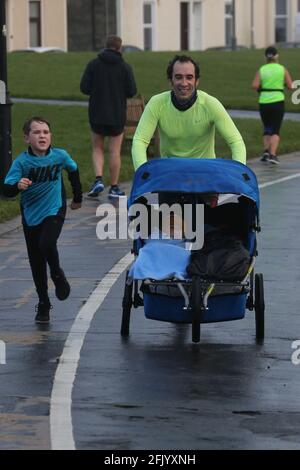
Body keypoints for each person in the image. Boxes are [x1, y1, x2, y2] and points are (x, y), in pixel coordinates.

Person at [3, 117, 82, 324]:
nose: (42, 136)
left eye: (46, 132)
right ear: (26, 138)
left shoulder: (59, 156)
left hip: (55, 208)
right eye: (37, 132)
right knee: (36, 260)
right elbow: (6, 189)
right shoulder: (21, 162)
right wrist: (18, 185)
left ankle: (57, 274)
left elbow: (73, 170)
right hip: (30, 213)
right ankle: (44, 303)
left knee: (47, 243)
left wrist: (77, 197)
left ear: (51, 136)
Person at [132, 54, 246, 171]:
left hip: (205, 175)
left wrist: (239, 174)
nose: (184, 83)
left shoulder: (210, 104)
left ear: (197, 81)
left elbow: (235, 141)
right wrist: (142, 173)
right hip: (170, 175)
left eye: (189, 77)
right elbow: (140, 141)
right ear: (170, 80)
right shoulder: (157, 103)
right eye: (178, 77)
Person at [80, 35, 137, 198]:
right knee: (114, 151)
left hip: (97, 113)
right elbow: (132, 91)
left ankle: (98, 179)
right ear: (120, 48)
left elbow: (84, 87)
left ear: (105, 46)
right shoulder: (125, 67)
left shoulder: (93, 64)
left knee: (97, 148)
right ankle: (113, 187)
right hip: (117, 114)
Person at [252, 46, 293, 165]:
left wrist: (263, 89)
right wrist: (283, 84)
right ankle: (273, 155)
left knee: (267, 127)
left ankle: (265, 151)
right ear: (276, 56)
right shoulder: (282, 69)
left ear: (266, 56)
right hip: (277, 101)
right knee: (275, 129)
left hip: (264, 102)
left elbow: (254, 85)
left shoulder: (262, 69)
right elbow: (290, 86)